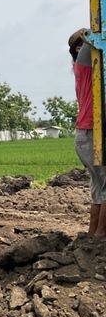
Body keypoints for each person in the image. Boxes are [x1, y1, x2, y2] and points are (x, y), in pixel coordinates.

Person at [70, 28, 106, 238]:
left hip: (85, 135)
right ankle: (101, 235)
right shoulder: (83, 62)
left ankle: (93, 236)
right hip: (91, 133)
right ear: (77, 48)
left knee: (99, 189)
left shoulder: (87, 70)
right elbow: (90, 35)